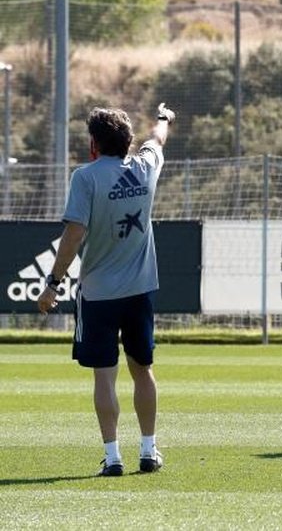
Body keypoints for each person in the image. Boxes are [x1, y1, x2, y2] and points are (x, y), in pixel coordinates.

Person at [38, 103, 175, 476]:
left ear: (94, 144)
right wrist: (164, 117)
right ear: (128, 141)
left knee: (104, 375)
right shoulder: (145, 165)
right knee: (143, 369)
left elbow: (74, 233)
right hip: (141, 289)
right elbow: (157, 138)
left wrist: (53, 283)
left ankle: (113, 457)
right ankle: (149, 451)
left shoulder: (86, 177)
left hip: (98, 293)